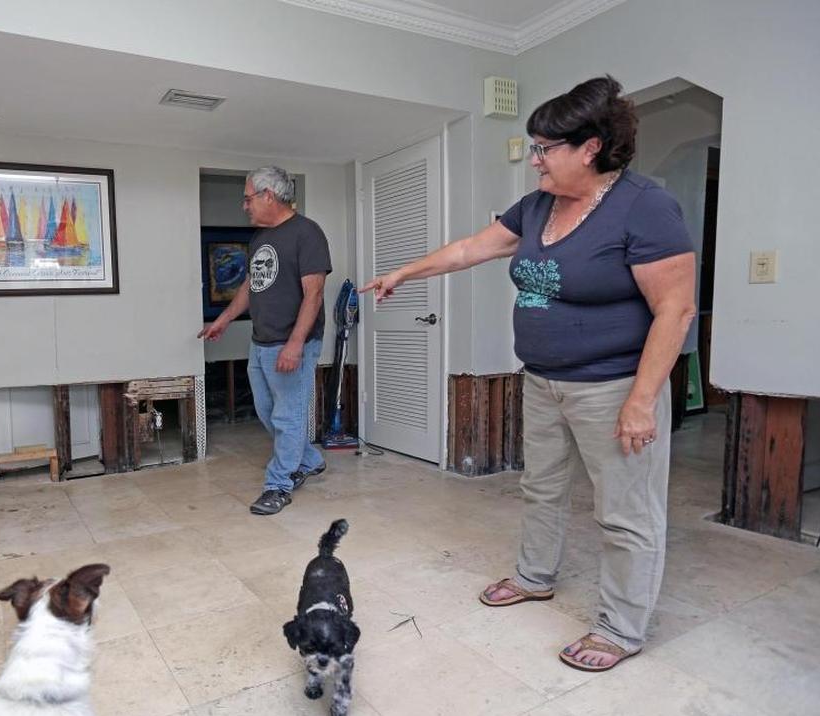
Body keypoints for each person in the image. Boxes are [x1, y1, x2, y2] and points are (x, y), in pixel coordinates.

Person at [360, 76, 696, 672]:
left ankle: (621, 627)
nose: (534, 159)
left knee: (625, 510)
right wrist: (404, 272)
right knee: (541, 487)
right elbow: (472, 248)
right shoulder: (538, 205)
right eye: (534, 147)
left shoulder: (645, 207)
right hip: (540, 378)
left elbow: (675, 308)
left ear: (589, 147)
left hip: (613, 386)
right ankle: (535, 576)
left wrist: (642, 400)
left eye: (544, 148)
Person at [199, 166, 332, 515]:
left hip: (292, 342)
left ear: (268, 196)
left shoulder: (308, 233)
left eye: (248, 198)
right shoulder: (260, 237)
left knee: (287, 417)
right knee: (266, 411)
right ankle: (310, 458)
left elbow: (314, 294)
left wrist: (295, 344)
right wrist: (224, 319)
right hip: (261, 342)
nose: (245, 206)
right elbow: (250, 285)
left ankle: (278, 485)